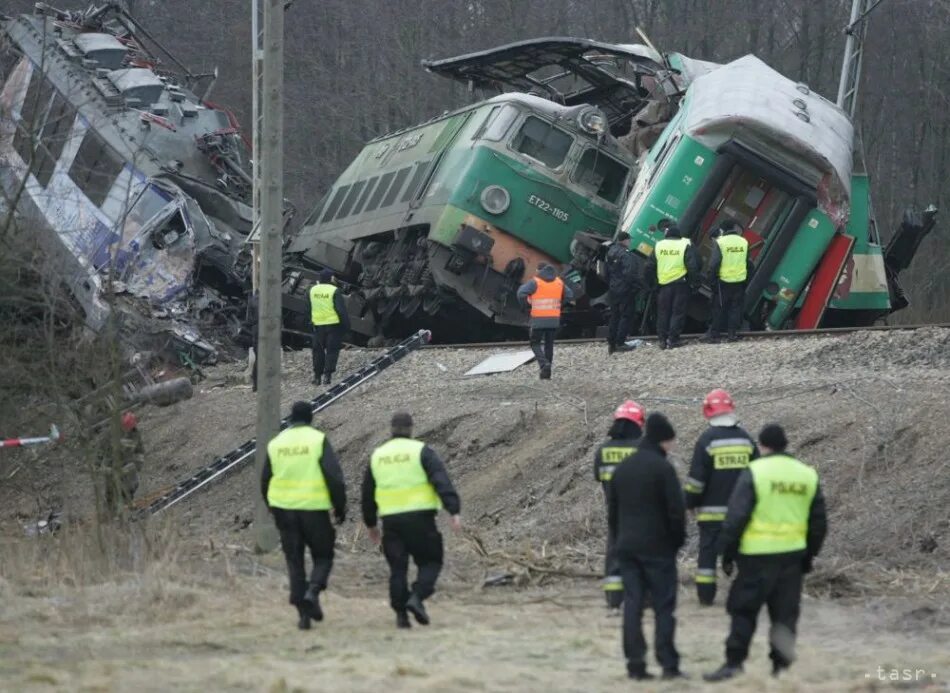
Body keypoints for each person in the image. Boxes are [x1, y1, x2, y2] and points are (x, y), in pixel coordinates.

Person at [704, 424, 828, 682]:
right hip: (792, 557)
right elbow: (819, 523)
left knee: (743, 611)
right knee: (784, 615)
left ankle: (733, 664)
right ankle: (781, 669)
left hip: (755, 558)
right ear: (785, 444)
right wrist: (808, 555)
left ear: (762, 446)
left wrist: (727, 553)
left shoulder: (756, 471)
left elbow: (736, 517)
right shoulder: (806, 474)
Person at [362, 412, 461, 629]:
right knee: (431, 562)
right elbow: (440, 479)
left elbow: (367, 493)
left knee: (398, 569)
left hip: (391, 522)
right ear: (411, 428)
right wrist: (453, 509)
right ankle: (416, 597)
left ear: (391, 428)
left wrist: (370, 524)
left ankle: (401, 616)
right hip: (421, 519)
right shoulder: (422, 451)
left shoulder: (378, 456)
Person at [608, 413, 687, 681]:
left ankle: (635, 665)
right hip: (658, 548)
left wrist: (619, 541)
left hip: (627, 547)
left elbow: (613, 513)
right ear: (662, 440)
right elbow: (676, 512)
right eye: (670, 442)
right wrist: (676, 543)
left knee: (632, 605)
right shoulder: (663, 469)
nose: (671, 447)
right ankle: (668, 665)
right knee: (664, 607)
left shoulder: (623, 468)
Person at [261, 401, 347, 630]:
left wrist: (270, 505)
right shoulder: (317, 439)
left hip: (284, 509)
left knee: (294, 559)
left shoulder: (277, 443)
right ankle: (313, 590)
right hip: (314, 509)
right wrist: (340, 508)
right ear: (310, 418)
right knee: (323, 556)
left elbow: (265, 478)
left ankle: (303, 614)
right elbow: (334, 477)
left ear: (290, 418)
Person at [685, 389, 758, 606]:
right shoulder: (746, 440)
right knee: (743, 553)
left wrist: (689, 503)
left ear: (707, 411)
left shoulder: (706, 440)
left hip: (711, 515)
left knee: (707, 556)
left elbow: (697, 480)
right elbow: (757, 475)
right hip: (742, 513)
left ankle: (706, 596)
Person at [593, 400, 645, 612]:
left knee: (614, 554)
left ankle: (614, 598)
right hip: (643, 513)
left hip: (615, 511)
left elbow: (598, 476)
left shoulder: (603, 451)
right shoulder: (643, 448)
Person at [516, 263, 575, 379]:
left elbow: (520, 293)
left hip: (538, 319)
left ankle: (544, 364)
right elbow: (570, 295)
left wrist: (527, 306)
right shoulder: (559, 282)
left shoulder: (535, 282)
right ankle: (546, 374)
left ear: (539, 271)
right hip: (553, 319)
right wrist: (559, 305)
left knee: (535, 343)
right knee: (549, 344)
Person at [644, 224, 699, 349]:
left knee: (663, 313)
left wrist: (651, 283)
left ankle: (662, 340)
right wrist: (694, 283)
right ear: (679, 236)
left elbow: (648, 267)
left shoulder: (659, 245)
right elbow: (692, 267)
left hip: (664, 285)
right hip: (680, 285)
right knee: (677, 313)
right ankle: (672, 340)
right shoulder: (684, 245)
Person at [704, 221, 753, 343]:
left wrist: (712, 281)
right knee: (735, 308)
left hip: (724, 282)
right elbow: (749, 264)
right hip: (739, 281)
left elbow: (714, 264)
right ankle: (732, 334)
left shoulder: (721, 243)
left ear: (723, 230)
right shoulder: (744, 242)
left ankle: (714, 335)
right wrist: (746, 280)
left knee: (719, 308)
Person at [309, 268, 350, 385]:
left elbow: (308, 308)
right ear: (331, 278)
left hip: (318, 326)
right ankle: (327, 376)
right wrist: (346, 326)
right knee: (332, 351)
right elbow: (341, 311)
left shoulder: (312, 290)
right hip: (333, 326)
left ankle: (317, 377)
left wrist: (311, 322)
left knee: (318, 351)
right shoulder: (334, 291)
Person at [604, 233, 643, 355]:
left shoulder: (610, 252)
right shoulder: (625, 254)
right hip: (625, 290)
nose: (630, 242)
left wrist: (611, 284)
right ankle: (620, 342)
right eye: (629, 240)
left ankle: (611, 343)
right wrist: (638, 286)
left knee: (614, 315)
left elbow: (606, 272)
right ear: (625, 241)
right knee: (626, 315)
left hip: (613, 288)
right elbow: (630, 274)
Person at [102, 411, 145, 516]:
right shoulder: (111, 435)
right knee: (112, 489)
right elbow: (104, 455)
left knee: (133, 484)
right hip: (112, 466)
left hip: (128, 464)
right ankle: (111, 510)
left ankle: (129, 501)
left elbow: (140, 450)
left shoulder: (135, 434)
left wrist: (137, 464)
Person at [246, 291, 259, 392]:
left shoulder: (252, 300)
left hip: (256, 330)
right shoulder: (271, 299)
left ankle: (256, 385)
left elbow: (248, 320)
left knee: (258, 359)